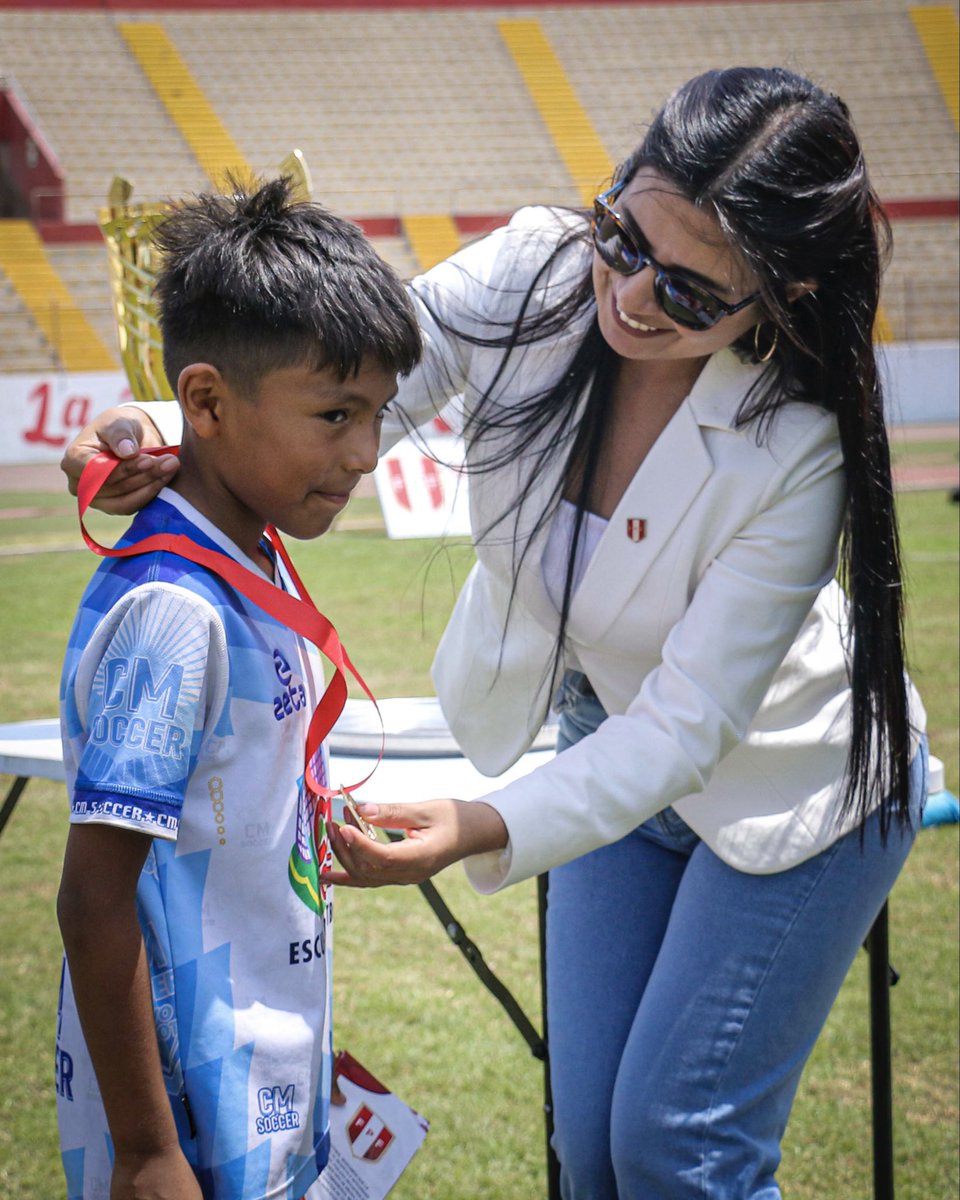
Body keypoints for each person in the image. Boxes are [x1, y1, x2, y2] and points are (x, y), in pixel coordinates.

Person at [63, 68, 928, 1200]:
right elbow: (357, 373)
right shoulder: (537, 267)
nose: (630, 297)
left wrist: (473, 824)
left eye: (690, 291)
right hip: (604, 755)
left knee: (677, 1147)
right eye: (624, 236)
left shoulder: (800, 438)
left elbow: (685, 731)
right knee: (592, 1156)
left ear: (785, 294)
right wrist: (172, 427)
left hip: (792, 791)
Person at [55, 177, 421, 1200]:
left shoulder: (245, 554)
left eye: (379, 414)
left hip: (267, 1049)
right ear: (207, 403)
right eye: (336, 414)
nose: (365, 454)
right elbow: (94, 894)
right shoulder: (176, 612)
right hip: (188, 1099)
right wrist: (146, 1150)